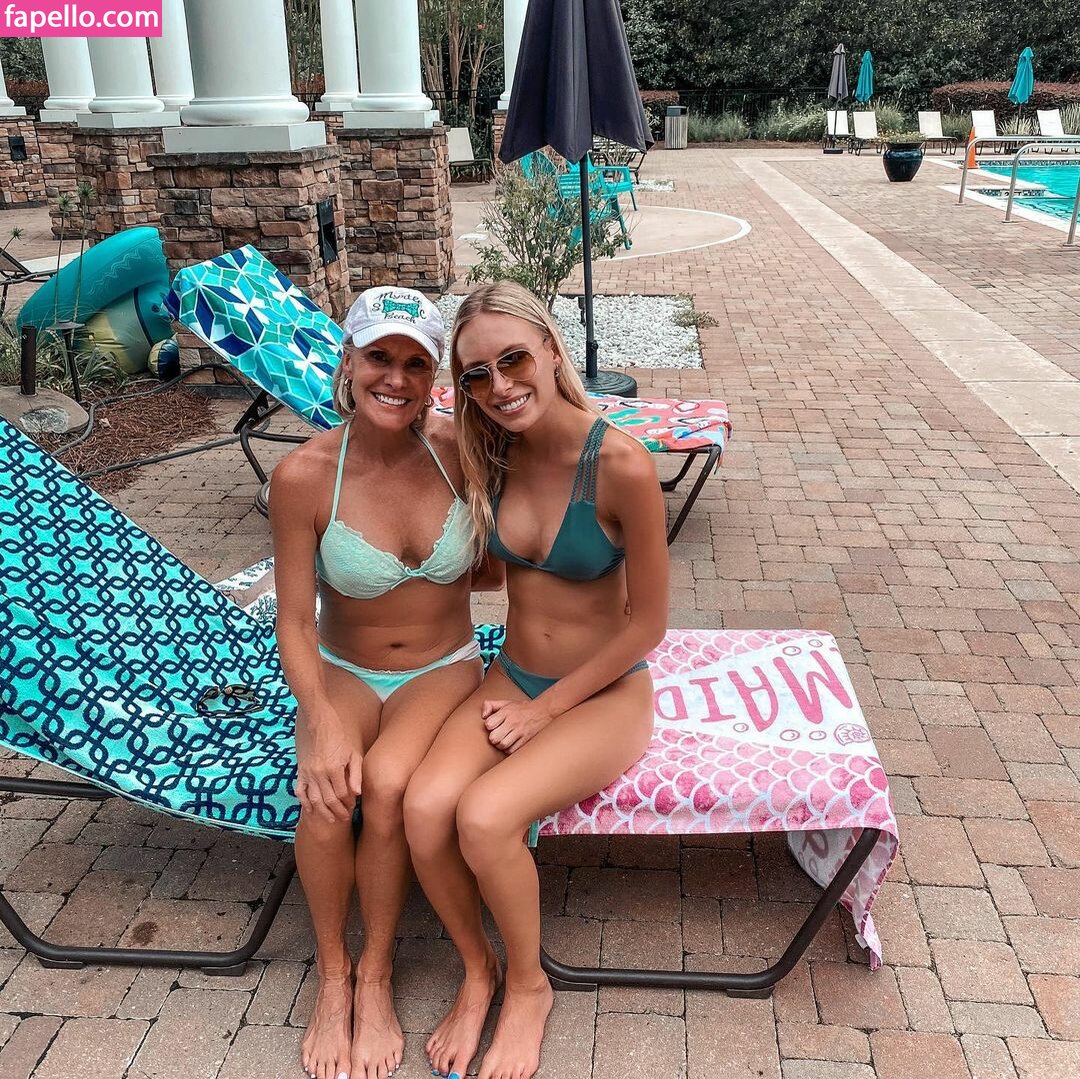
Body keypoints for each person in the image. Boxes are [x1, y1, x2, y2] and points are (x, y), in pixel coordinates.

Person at [403, 281, 670, 1079]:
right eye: (476, 374)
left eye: (514, 358)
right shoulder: (491, 453)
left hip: (602, 693)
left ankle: (529, 986)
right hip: (511, 674)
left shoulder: (621, 464)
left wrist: (545, 711)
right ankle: (478, 969)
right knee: (423, 808)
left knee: (484, 816)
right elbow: (488, 566)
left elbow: (648, 626)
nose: (500, 385)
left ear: (553, 350)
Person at [272, 287, 498, 1079]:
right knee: (328, 792)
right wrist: (320, 719)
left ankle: (377, 972)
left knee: (391, 783)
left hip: (442, 666)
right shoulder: (304, 475)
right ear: (348, 360)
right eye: (379, 357)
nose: (395, 378)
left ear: (435, 374)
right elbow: (294, 624)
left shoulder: (461, 449)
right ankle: (334, 975)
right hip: (343, 667)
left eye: (415, 363)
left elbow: (512, 547)